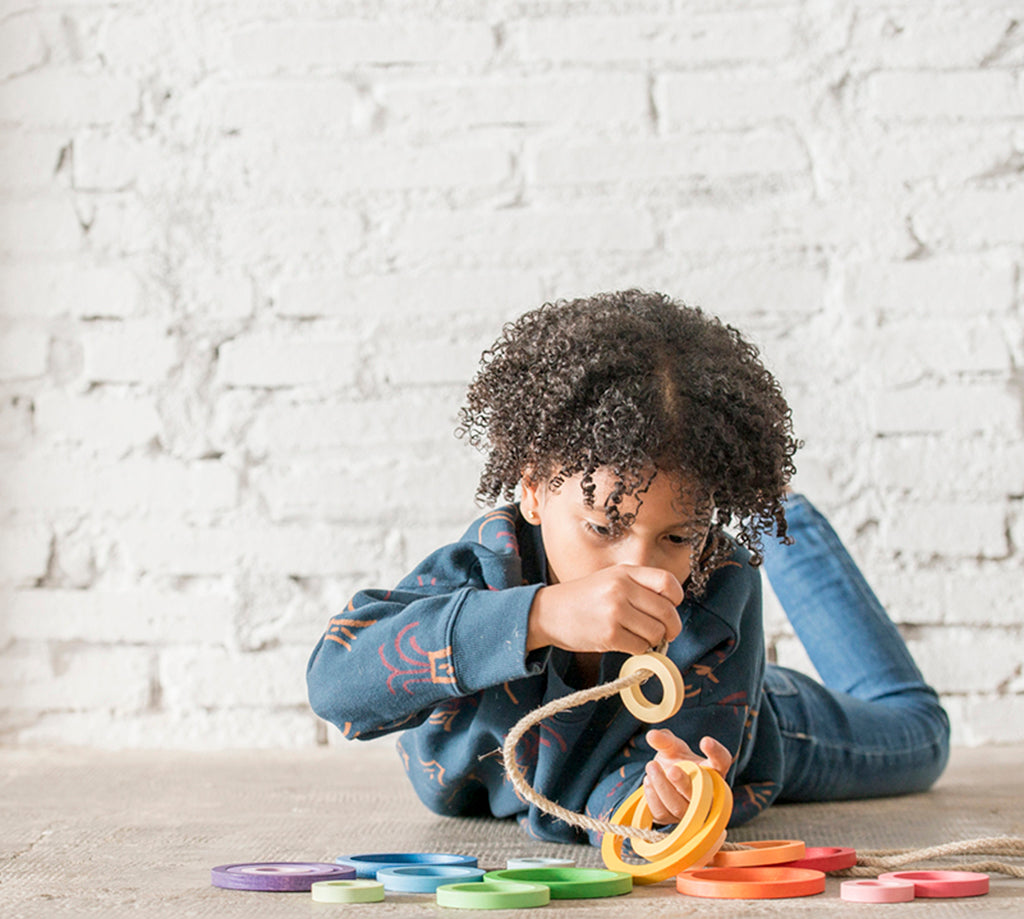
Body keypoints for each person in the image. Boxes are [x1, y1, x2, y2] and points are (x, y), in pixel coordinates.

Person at [306, 289, 950, 844]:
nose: (643, 571)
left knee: (919, 733)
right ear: (532, 489)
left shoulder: (718, 585)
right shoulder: (488, 564)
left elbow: (632, 798)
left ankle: (785, 520)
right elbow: (337, 684)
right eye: (603, 527)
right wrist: (539, 616)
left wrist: (661, 801)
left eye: (677, 536)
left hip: (757, 717)